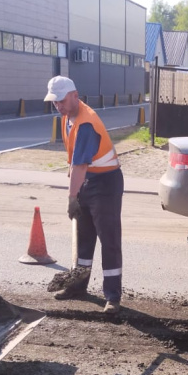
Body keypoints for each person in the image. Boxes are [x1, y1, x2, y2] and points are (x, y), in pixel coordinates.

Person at [43, 76, 124, 312]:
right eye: (54, 102)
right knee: (83, 239)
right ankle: (78, 286)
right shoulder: (66, 118)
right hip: (87, 182)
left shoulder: (86, 123)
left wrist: (71, 198)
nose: (58, 105)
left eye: (61, 100)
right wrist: (76, 191)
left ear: (75, 95)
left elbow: (80, 164)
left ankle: (112, 296)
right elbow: (72, 162)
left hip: (106, 184)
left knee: (108, 240)